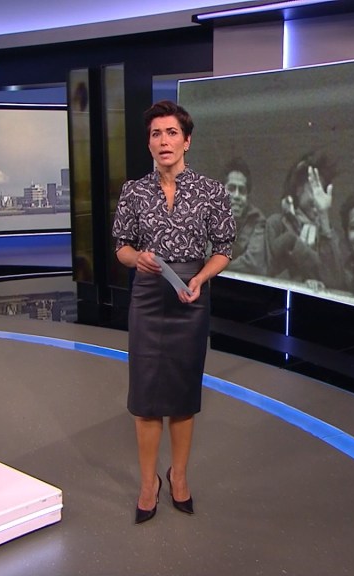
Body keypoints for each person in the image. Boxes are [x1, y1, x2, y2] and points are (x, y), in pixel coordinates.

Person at [111, 101, 236, 524]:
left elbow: (224, 249)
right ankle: (149, 483)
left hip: (189, 296)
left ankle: (178, 475)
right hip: (148, 296)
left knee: (182, 394)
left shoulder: (211, 191)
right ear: (149, 143)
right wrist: (137, 259)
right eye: (155, 134)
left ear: (187, 140)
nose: (163, 141)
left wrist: (200, 278)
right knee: (146, 396)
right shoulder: (134, 191)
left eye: (171, 133)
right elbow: (122, 246)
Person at [264, 153, 343, 290]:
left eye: (323, 190)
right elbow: (268, 272)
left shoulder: (328, 235)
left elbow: (337, 282)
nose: (318, 197)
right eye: (314, 189)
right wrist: (302, 281)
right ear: (298, 189)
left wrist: (324, 218)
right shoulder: (277, 224)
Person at [222, 157, 268, 275]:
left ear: (247, 196)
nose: (237, 196)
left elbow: (253, 264)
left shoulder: (258, 221)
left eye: (242, 190)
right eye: (231, 189)